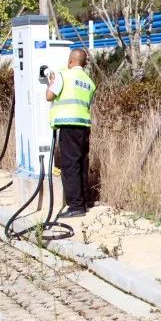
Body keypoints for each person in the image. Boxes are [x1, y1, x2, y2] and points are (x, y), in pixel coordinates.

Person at [45, 48, 96, 218]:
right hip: (83, 125)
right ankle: (83, 201)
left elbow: (50, 96)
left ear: (70, 61)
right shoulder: (89, 81)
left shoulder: (63, 75)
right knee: (82, 163)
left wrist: (50, 82)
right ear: (84, 63)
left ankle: (75, 206)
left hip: (68, 124)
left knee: (70, 166)